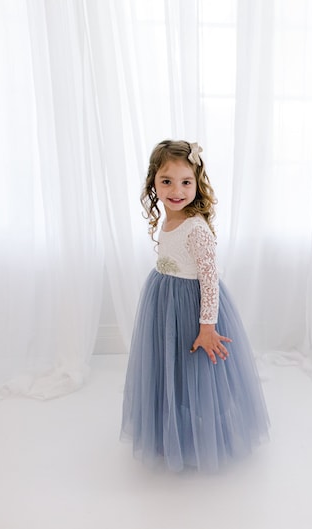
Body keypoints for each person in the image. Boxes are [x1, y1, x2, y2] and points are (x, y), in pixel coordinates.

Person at [121, 140, 269, 472]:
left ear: (197, 182)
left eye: (186, 181)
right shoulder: (169, 220)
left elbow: (209, 280)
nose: (177, 190)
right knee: (168, 367)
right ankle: (171, 430)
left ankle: (206, 437)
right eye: (167, 181)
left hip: (193, 306)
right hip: (163, 302)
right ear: (153, 184)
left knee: (195, 372)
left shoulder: (196, 228)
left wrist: (207, 327)